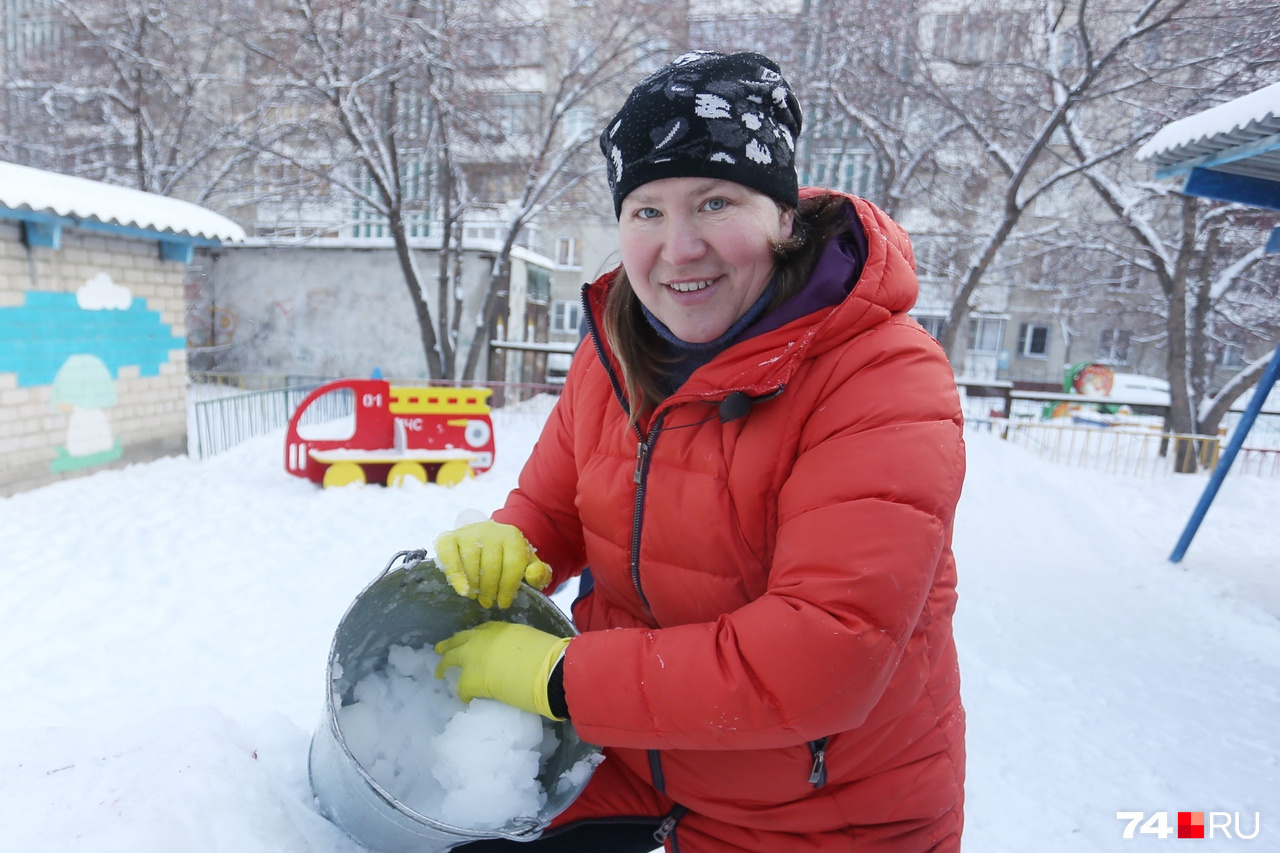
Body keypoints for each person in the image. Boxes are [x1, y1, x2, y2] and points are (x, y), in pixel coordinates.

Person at [433, 50, 966, 852]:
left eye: (714, 202)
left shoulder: (880, 375)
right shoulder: (616, 345)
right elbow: (554, 503)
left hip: (821, 816)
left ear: (783, 216)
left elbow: (823, 656)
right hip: (634, 763)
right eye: (646, 210)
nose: (678, 248)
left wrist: (554, 677)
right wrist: (514, 542)